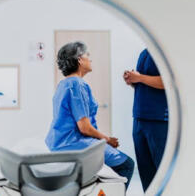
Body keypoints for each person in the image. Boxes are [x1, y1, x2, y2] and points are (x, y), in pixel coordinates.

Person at [45, 41, 134, 190]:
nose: (90, 59)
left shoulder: (64, 84)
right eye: (88, 55)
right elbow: (84, 127)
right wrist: (107, 139)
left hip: (58, 144)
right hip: (74, 144)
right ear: (80, 59)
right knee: (127, 165)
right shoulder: (77, 84)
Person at [123, 48, 168, 191]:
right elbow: (145, 83)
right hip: (139, 119)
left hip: (158, 120)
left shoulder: (165, 51)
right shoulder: (144, 53)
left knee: (162, 173)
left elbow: (167, 82)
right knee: (146, 173)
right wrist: (132, 81)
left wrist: (140, 78)